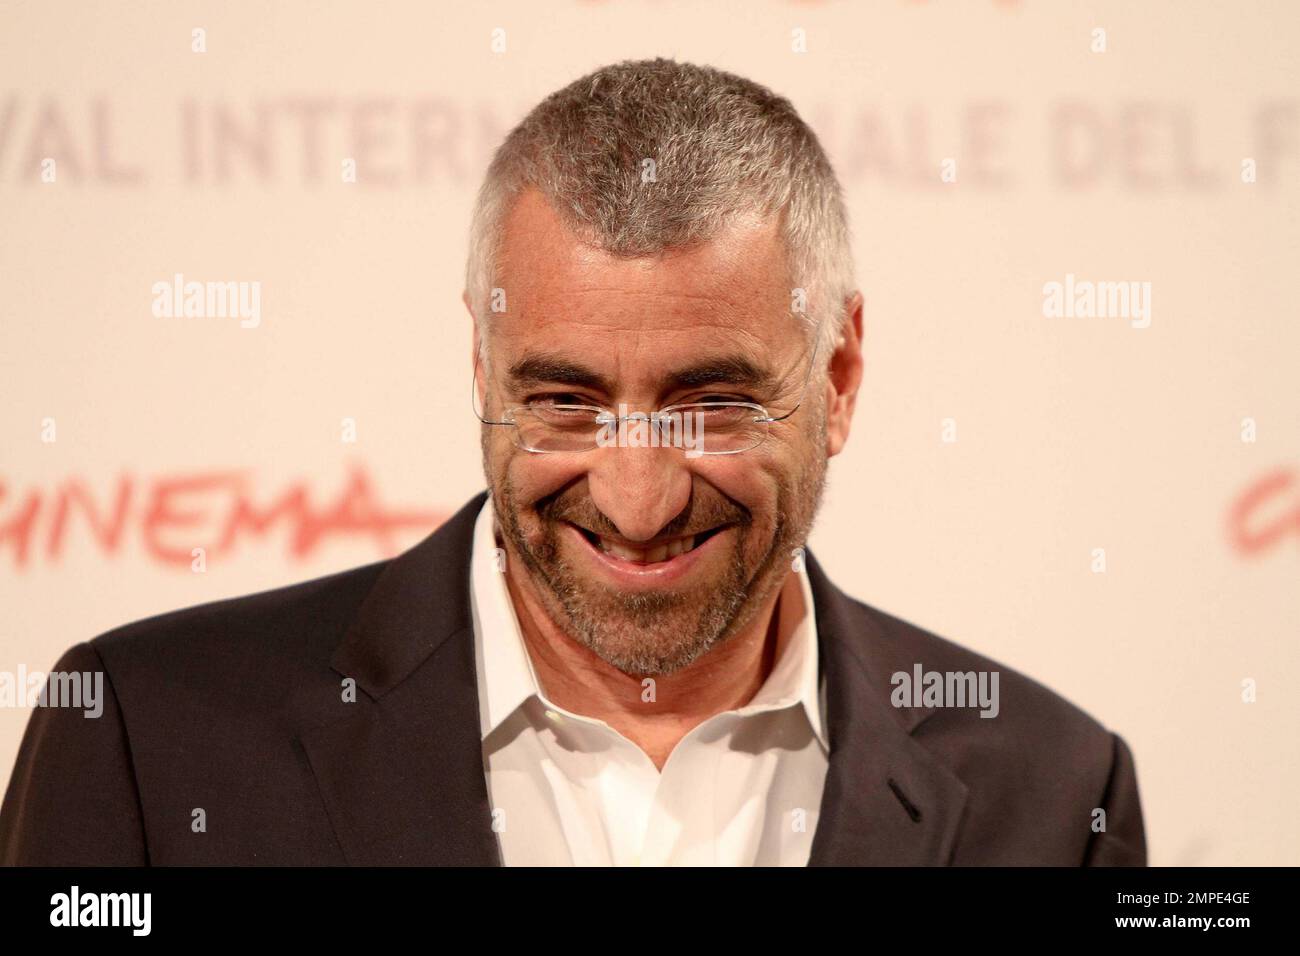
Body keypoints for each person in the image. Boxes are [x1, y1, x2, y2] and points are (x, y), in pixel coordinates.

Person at [0, 58, 1145, 866]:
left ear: (838, 377)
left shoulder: (1051, 791)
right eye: (564, 402)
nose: (636, 498)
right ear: (480, 363)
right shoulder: (149, 741)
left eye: (712, 404)